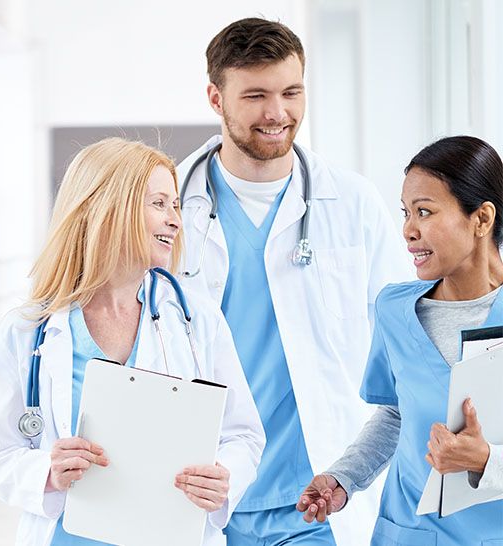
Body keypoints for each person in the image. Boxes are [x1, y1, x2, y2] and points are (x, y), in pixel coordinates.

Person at [175, 18, 412, 545]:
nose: (277, 113)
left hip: (316, 499)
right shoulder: (169, 206)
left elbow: (404, 338)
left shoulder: (353, 204)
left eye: (291, 92)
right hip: (202, 492)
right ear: (216, 98)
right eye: (255, 95)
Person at [0, 137, 265, 545]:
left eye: (175, 205)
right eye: (159, 204)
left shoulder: (196, 320)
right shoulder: (28, 331)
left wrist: (223, 477)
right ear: (111, 208)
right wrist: (47, 473)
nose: (175, 221)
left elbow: (244, 435)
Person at [296, 135, 503, 545]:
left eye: (424, 212)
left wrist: (486, 461)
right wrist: (344, 478)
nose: (408, 230)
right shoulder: (395, 310)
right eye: (406, 213)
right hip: (408, 534)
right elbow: (396, 414)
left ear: (481, 219)